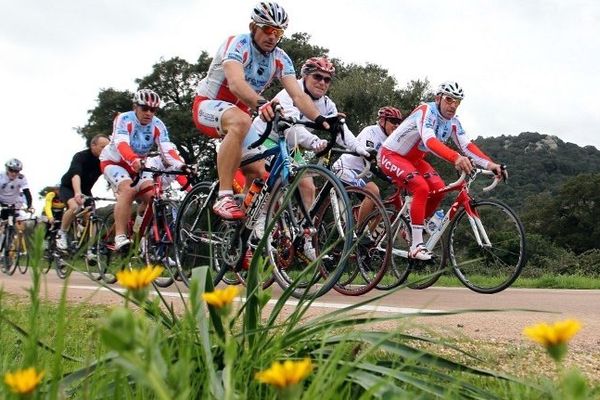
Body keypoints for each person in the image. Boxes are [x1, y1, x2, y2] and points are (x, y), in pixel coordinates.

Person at [192, 1, 333, 221]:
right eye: (267, 29)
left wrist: (323, 119)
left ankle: (243, 235)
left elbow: (299, 96)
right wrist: (262, 104)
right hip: (208, 104)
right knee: (241, 120)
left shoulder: (281, 58)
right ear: (253, 27)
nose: (272, 36)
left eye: (278, 32)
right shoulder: (237, 45)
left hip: (240, 116)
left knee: (260, 171)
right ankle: (224, 196)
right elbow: (236, 83)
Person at [378, 81, 507, 260]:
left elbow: (467, 145)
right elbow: (430, 141)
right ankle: (416, 245)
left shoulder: (453, 122)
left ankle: (412, 228)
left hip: (414, 161)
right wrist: (456, 158)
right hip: (391, 155)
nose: (453, 105)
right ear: (438, 98)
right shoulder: (426, 111)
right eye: (449, 100)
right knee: (421, 187)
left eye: (457, 102)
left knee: (438, 189)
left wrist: (491, 165)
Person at [100, 89, 185, 250]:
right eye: (144, 108)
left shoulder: (158, 124)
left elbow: (167, 150)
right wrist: (133, 159)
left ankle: (138, 231)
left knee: (152, 197)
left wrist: (181, 165)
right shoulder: (124, 119)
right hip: (115, 162)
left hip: (139, 164)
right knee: (128, 190)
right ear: (135, 107)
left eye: (153, 110)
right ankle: (119, 236)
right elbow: (121, 143)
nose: (148, 113)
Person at [332, 106, 403, 225]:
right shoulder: (371, 132)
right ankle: (359, 233)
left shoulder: (392, 141)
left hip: (361, 174)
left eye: (399, 123)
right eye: (393, 121)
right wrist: (390, 179)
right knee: (373, 191)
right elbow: (370, 160)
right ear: (382, 121)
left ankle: (366, 241)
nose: (396, 126)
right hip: (345, 167)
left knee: (380, 211)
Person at [56, 134, 110, 250]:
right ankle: (62, 234)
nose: (106, 150)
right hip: (69, 187)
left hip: (86, 190)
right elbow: (76, 175)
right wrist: (77, 192)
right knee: (75, 207)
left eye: (108, 147)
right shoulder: (81, 156)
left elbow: (111, 178)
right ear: (93, 145)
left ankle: (91, 248)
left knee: (92, 217)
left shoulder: (105, 160)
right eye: (102, 147)